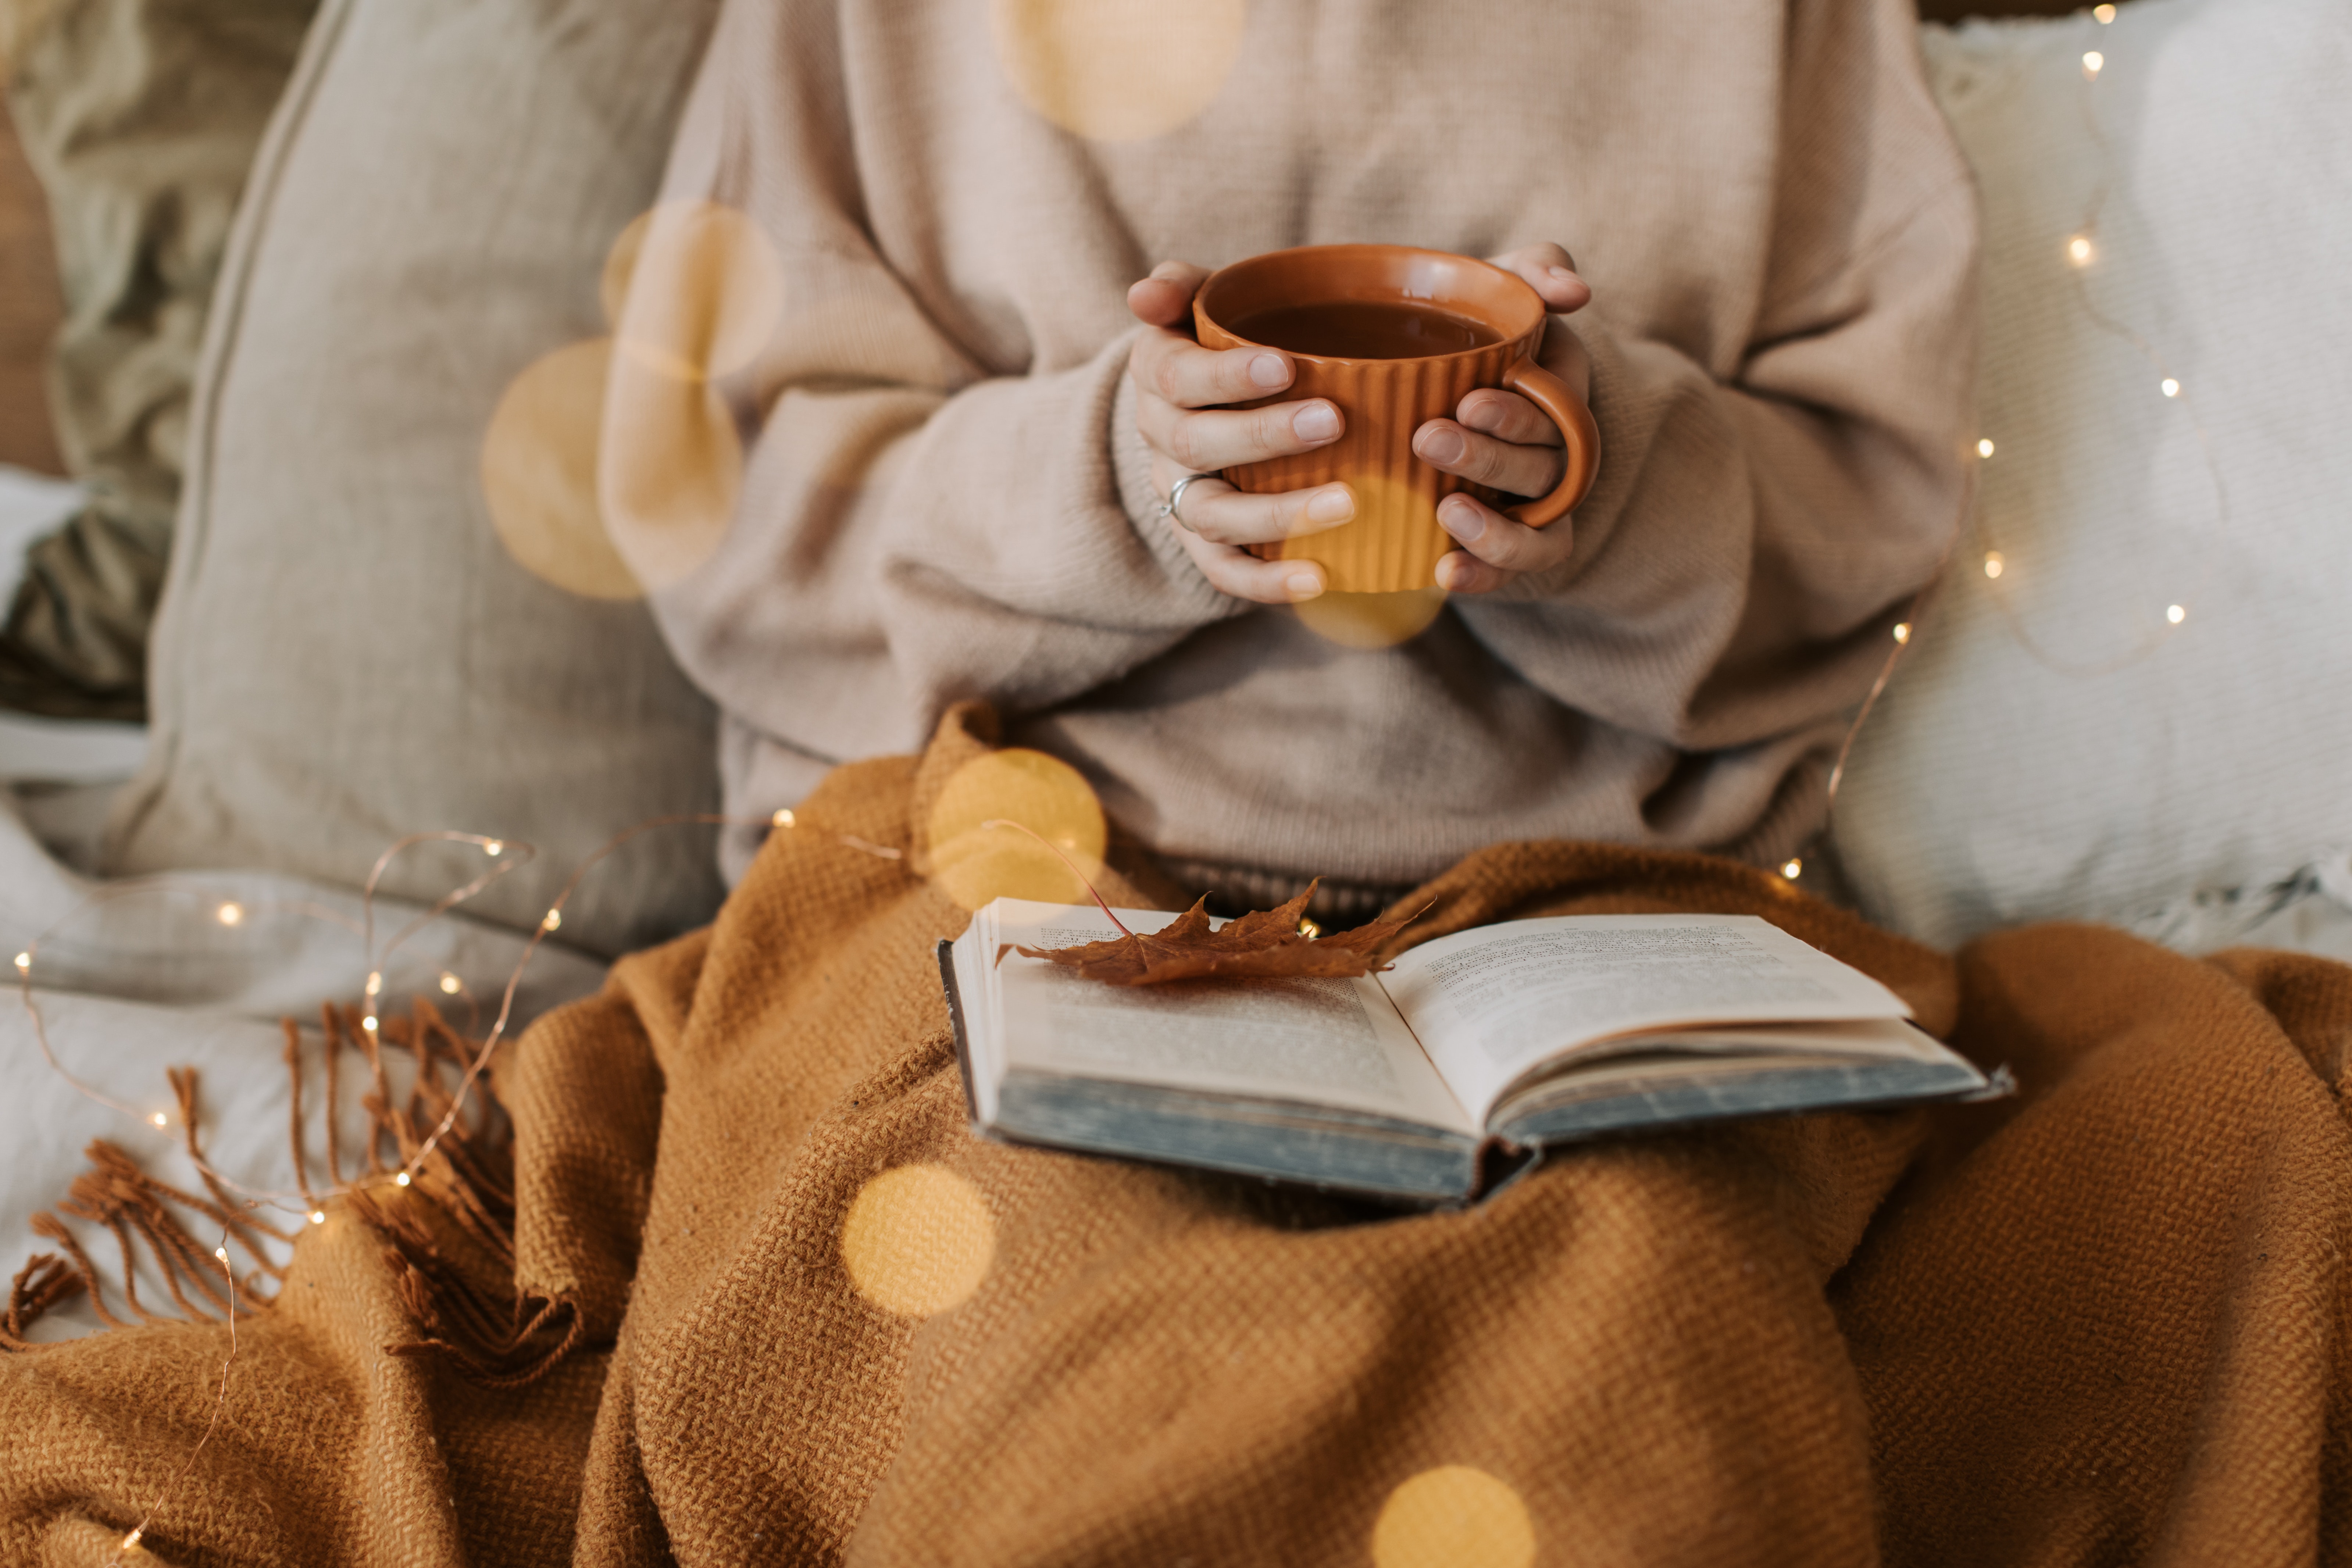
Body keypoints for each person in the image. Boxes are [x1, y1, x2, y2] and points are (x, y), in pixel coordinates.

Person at [638, 0, 1978, 918]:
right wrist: (1118, 480)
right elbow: (736, 507)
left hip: (1601, 904)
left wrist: (1605, 473)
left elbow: (1871, 492)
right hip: (981, 876)